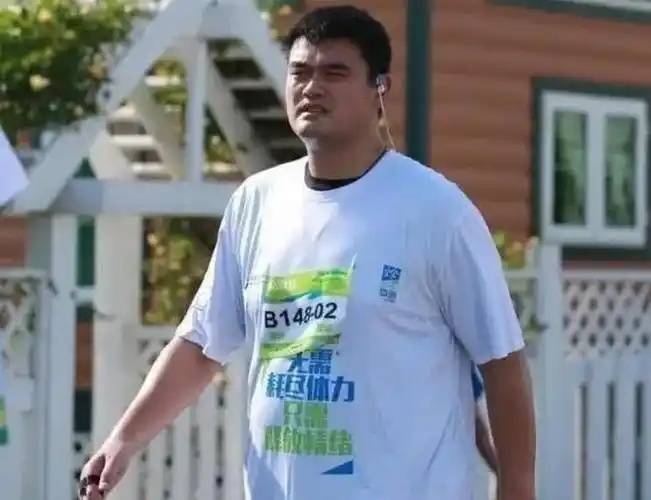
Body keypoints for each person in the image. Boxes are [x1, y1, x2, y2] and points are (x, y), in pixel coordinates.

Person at [79, 6, 535, 500]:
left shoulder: (436, 212)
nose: (312, 87)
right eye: (299, 72)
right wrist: (124, 439)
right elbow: (200, 346)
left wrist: (517, 487)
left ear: (379, 89)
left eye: (334, 73)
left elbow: (502, 363)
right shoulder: (256, 202)